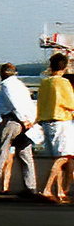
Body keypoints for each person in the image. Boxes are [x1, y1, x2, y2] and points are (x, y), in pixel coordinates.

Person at [0, 63, 39, 198]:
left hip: (14, 120)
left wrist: (23, 119)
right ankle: (30, 186)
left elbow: (15, 103)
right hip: (26, 120)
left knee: (2, 150)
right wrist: (31, 120)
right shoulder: (20, 85)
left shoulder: (7, 85)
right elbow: (28, 103)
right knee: (25, 154)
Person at [37, 53, 74, 204]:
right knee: (63, 157)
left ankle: (59, 192)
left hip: (46, 121)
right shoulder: (63, 83)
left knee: (57, 157)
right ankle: (46, 188)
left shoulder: (45, 83)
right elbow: (70, 103)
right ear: (64, 67)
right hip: (61, 121)